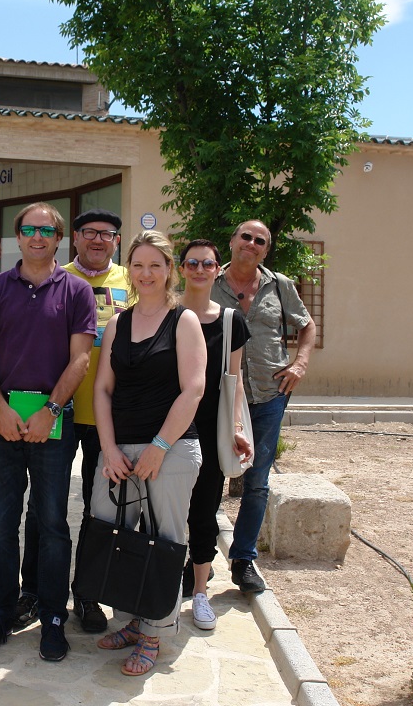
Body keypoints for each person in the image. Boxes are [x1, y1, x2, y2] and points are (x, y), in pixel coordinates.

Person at [0, 202, 95, 663]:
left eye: (46, 229)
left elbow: (80, 359)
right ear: (17, 237)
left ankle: (52, 617)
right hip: (0, 421)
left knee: (52, 524)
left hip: (52, 421)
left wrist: (51, 409)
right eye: (29, 229)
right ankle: (1, 611)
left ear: (58, 238)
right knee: (1, 527)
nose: (37, 236)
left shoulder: (78, 291)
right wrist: (0, 407)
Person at [92, 230, 205, 676]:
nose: (145, 273)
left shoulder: (185, 321)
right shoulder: (119, 322)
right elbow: (103, 388)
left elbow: (193, 388)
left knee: (165, 542)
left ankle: (155, 632)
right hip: (119, 450)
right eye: (137, 265)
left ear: (169, 269)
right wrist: (107, 448)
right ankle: (132, 622)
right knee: (116, 535)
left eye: (155, 265)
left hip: (172, 450)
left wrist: (160, 446)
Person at [19, 208, 130, 634]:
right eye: (89, 233)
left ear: (116, 241)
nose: (98, 240)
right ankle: (34, 592)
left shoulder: (132, 282)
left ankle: (87, 593)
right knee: (44, 509)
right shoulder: (53, 276)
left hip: (110, 418)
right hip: (56, 410)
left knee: (99, 511)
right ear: (75, 238)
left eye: (107, 234)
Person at [210, 220, 316, 594]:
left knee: (257, 483)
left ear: (265, 250)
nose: (251, 243)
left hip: (270, 395)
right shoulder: (210, 279)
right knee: (207, 476)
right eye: (246, 236)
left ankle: (242, 560)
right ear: (233, 240)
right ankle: (201, 556)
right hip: (219, 396)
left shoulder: (280, 285)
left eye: (260, 241)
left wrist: (299, 364)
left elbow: (306, 325)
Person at [178, 239, 250, 629]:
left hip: (210, 428)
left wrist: (236, 426)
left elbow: (233, 380)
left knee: (204, 512)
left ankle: (200, 592)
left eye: (207, 263)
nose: (200, 269)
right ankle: (166, 585)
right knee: (166, 514)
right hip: (169, 427)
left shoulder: (231, 320)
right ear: (182, 268)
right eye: (192, 263)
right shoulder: (168, 314)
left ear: (217, 269)